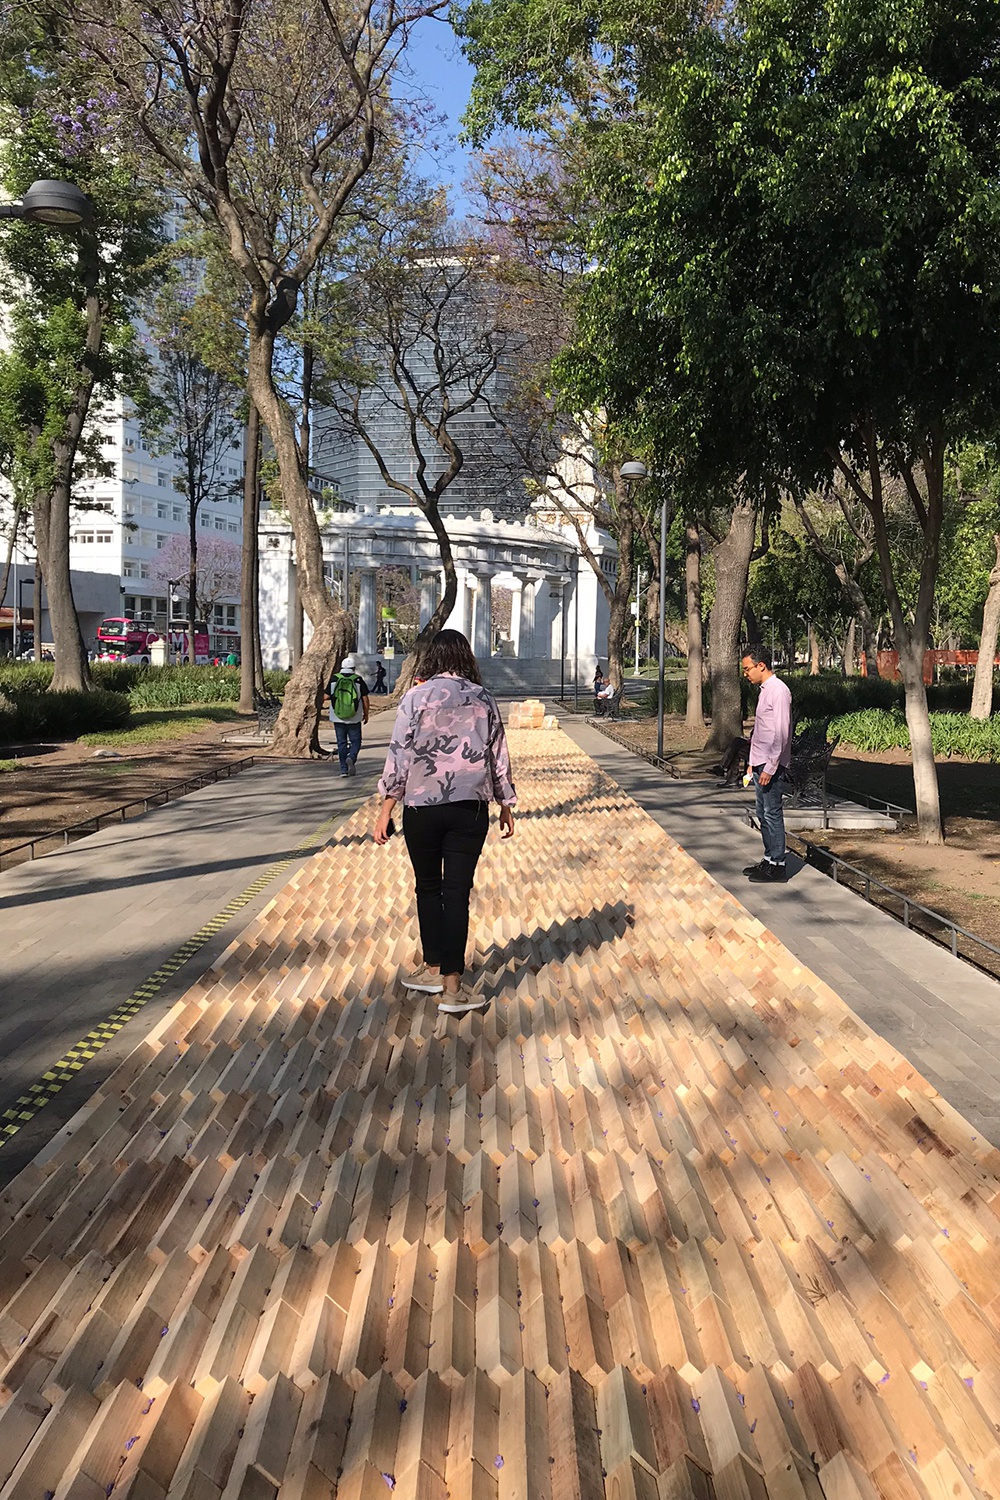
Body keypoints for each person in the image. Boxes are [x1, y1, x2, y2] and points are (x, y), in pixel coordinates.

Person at [373, 629, 516, 1014]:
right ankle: (452, 988)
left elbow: (399, 755)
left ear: (432, 658)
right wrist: (505, 803)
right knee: (456, 893)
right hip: (469, 807)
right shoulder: (482, 698)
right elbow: (497, 755)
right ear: (466, 656)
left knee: (427, 887)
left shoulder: (415, 697)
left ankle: (433, 966)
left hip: (422, 807)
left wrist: (386, 809)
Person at [740, 646, 792, 882]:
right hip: (760, 762)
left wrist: (771, 767)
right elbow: (760, 731)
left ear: (761, 665)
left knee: (772, 813)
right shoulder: (765, 690)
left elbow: (781, 733)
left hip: (772, 764)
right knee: (762, 812)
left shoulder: (778, 690)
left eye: (747, 669)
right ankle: (769, 858)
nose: (746, 674)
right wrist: (752, 763)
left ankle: (778, 865)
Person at [329, 654, 370, 777]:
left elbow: (325, 696)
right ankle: (351, 757)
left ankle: (343, 770)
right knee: (356, 741)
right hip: (354, 716)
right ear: (353, 668)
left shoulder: (334, 679)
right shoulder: (358, 680)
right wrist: (366, 714)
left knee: (341, 743)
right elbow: (365, 699)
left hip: (337, 716)